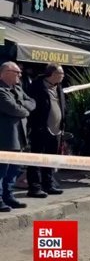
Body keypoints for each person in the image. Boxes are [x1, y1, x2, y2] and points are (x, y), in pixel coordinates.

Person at [26, 63, 66, 198]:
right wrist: (36, 125)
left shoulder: (58, 87)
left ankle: (48, 184)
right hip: (41, 129)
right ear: (53, 74)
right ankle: (35, 188)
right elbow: (32, 108)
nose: (63, 76)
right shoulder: (37, 86)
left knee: (50, 159)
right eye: (61, 73)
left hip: (57, 130)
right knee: (36, 159)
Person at [0, 62, 36, 211]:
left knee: (13, 170)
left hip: (20, 138)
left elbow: (32, 103)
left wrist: (21, 104)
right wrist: (25, 110)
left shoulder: (18, 88)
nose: (20, 75)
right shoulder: (1, 91)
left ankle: (8, 197)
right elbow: (13, 109)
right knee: (2, 171)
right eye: (17, 72)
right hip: (5, 138)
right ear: (6, 72)